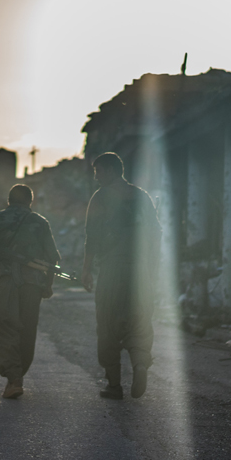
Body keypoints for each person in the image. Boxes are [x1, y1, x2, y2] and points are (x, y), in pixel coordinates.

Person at [80, 152, 161, 400]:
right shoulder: (142, 196)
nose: (96, 177)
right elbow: (156, 235)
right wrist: (152, 271)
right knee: (139, 320)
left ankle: (114, 386)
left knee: (107, 324)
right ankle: (139, 364)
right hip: (139, 270)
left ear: (110, 170)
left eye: (98, 171)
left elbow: (91, 237)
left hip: (112, 269)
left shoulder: (101, 197)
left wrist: (86, 269)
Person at [0, 184, 60, 399]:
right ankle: (18, 374)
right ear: (30, 202)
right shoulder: (40, 222)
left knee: (3, 325)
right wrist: (48, 285)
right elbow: (52, 259)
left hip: (4, 282)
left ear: (9, 200)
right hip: (32, 285)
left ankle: (14, 378)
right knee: (27, 328)